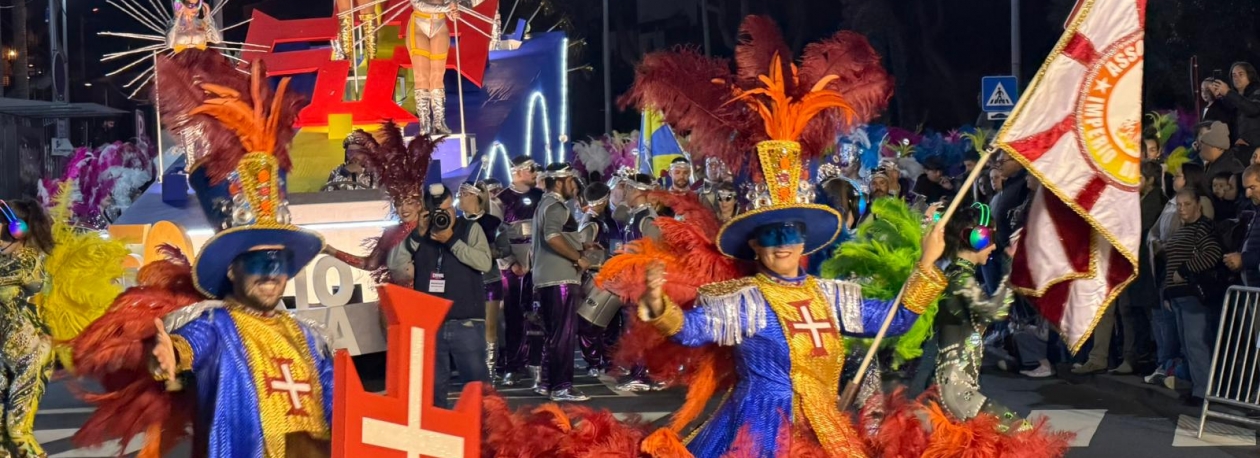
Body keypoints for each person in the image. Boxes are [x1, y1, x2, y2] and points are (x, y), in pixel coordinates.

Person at [636, 142, 948, 456]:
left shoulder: (830, 296)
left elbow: (894, 321)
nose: (781, 245)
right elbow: (690, 329)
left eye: (791, 234)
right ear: (755, 245)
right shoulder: (747, 300)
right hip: (758, 429)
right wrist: (658, 305)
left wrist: (926, 263)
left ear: (804, 243)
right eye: (771, 236)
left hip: (820, 426)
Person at [934, 203, 1028, 431]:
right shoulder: (959, 279)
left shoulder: (960, 275)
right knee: (1021, 431)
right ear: (976, 239)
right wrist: (1010, 269)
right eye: (990, 239)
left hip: (962, 385)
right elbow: (995, 311)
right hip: (956, 389)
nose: (994, 246)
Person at [410, 183, 494, 408]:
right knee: (432, 391)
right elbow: (396, 265)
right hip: (430, 324)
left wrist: (452, 240)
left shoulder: (469, 229)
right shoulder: (420, 233)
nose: (443, 216)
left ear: (454, 206)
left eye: (448, 210)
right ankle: (438, 437)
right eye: (438, 212)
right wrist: (418, 233)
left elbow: (484, 263)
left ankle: (488, 435)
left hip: (465, 321)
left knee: (477, 388)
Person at [323, 123, 430, 287]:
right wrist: (331, 251)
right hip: (400, 299)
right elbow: (369, 265)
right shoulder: (391, 233)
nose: (404, 209)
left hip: (432, 298)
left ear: (419, 204)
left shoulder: (433, 229)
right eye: (399, 203)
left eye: (409, 202)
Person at [531, 162, 590, 401]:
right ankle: (562, 386)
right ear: (559, 181)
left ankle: (547, 382)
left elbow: (555, 236)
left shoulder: (543, 204)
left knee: (553, 334)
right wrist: (578, 257)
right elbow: (552, 236)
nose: (574, 186)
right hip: (561, 278)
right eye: (570, 181)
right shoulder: (556, 205)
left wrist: (581, 245)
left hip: (547, 278)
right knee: (563, 335)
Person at [0, 199, 54, 458]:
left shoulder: (28, 263)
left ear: (17, 231)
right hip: (3, 352)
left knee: (17, 430)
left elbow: (26, 280)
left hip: (29, 354)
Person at [1161, 187, 1225, 405]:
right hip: (1178, 295)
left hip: (1193, 296)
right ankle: (1198, 387)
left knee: (1197, 343)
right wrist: (1168, 292)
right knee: (1188, 345)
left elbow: (1213, 254)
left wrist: (1185, 271)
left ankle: (1204, 391)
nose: (1181, 209)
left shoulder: (1202, 228)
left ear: (1198, 204)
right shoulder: (1183, 229)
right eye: (1178, 205)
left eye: (1187, 204)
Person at [495, 156, 544, 388]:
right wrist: (510, 261)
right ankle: (512, 365)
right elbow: (495, 235)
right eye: (532, 169)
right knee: (513, 316)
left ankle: (539, 363)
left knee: (539, 316)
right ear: (519, 171)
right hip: (513, 267)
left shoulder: (541, 197)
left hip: (539, 264)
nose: (536, 173)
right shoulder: (501, 199)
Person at [457, 181, 505, 377]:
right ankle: (470, 370)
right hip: (463, 281)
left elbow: (506, 249)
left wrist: (491, 252)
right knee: (466, 327)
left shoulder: (493, 223)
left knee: (489, 326)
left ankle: (490, 373)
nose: (459, 199)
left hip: (488, 279)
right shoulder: (456, 223)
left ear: (473, 196)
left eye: (462, 195)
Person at [575, 180, 622, 377]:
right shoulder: (591, 224)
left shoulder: (595, 220)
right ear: (603, 200)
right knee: (591, 323)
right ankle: (594, 361)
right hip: (596, 277)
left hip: (605, 275)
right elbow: (583, 250)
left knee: (608, 322)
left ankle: (605, 360)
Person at [407, 0, 464, 134]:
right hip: (419, 24)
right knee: (421, 76)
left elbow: (449, 3)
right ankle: (424, 123)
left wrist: (452, 12)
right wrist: (445, 8)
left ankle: (439, 121)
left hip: (440, 24)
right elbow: (418, 4)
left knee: (438, 75)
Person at [1209, 62, 1260, 148]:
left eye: (1241, 74)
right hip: (1236, 147)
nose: (1237, 78)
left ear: (1249, 75)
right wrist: (1220, 97)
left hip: (1255, 147)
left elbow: (1253, 109)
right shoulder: (1233, 98)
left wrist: (1228, 92)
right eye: (1234, 75)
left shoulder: (1257, 91)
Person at [1226, 165, 1260, 286]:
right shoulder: (1256, 211)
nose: (1247, 194)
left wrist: (1243, 260)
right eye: (1246, 188)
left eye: (1252, 187)